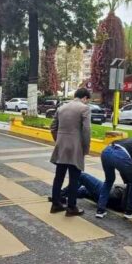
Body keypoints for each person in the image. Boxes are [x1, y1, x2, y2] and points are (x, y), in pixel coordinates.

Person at [50, 88, 91, 216]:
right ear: (85, 98)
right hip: (75, 147)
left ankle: (56, 204)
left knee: (59, 176)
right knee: (74, 178)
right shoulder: (84, 108)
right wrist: (85, 148)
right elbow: (86, 130)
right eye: (87, 100)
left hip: (61, 146)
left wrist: (59, 141)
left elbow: (53, 127)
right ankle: (71, 207)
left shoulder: (61, 108)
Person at [54, 172, 132, 214]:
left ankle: (60, 195)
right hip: (108, 198)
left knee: (82, 176)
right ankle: (65, 195)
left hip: (109, 193)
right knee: (84, 191)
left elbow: (130, 190)